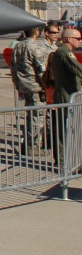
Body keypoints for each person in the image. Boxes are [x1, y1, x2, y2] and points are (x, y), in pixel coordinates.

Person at [47, 27, 82, 168]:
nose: (80, 41)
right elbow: (78, 69)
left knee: (69, 129)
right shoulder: (64, 53)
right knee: (65, 130)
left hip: (68, 95)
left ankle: (69, 161)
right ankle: (63, 163)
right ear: (68, 39)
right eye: (78, 39)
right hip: (67, 96)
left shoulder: (62, 52)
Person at [11, 26, 48, 154]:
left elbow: (13, 68)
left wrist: (18, 85)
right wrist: (45, 86)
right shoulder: (34, 47)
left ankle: (28, 144)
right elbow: (41, 70)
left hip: (24, 85)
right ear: (37, 32)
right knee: (38, 117)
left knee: (30, 116)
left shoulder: (17, 46)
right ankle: (32, 146)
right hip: (35, 86)